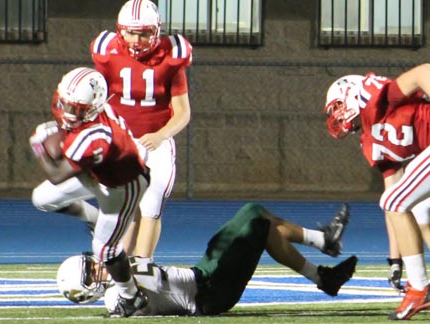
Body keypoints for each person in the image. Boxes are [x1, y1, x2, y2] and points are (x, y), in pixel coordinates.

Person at [56, 202, 357, 316]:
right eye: (90, 273)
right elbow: (132, 274)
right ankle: (323, 270)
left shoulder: (117, 273)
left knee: (253, 212)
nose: (98, 266)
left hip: (202, 273)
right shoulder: (114, 298)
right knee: (258, 225)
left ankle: (324, 246)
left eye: (91, 262)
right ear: (86, 293)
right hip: (208, 295)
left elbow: (127, 246)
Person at [29, 67, 150, 317]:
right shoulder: (93, 114)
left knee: (105, 250)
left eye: (75, 109)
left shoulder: (95, 135)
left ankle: (132, 298)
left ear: (92, 109)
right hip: (97, 172)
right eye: (65, 104)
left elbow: (57, 174)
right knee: (41, 199)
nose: (67, 113)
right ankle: (93, 218)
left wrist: (38, 146)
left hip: (122, 185)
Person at [323, 63, 430, 320]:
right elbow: (392, 202)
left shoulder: (380, 99)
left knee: (400, 201)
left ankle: (420, 288)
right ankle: (419, 285)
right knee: (418, 209)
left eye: (338, 105)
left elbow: (423, 72)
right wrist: (396, 260)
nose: (337, 114)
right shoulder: (371, 140)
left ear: (352, 93)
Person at [89, 0, 193, 258]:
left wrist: (160, 135)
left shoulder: (170, 58)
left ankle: (143, 264)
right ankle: (118, 264)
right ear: (120, 30)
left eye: (144, 32)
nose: (137, 38)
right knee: (125, 205)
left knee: (151, 203)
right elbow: (96, 98)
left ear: (156, 31)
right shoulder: (107, 52)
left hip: (156, 141)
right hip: (122, 143)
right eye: (131, 31)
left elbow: (183, 113)